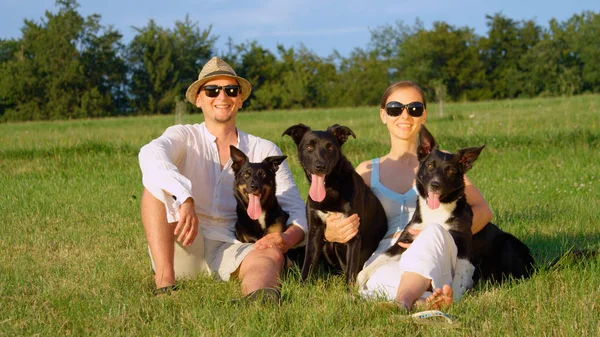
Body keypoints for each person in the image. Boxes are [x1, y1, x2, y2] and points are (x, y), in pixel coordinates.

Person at [138, 57, 307, 302]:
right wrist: (185, 196)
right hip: (183, 243)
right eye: (211, 90)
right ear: (198, 99)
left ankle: (259, 299)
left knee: (269, 255)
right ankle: (165, 285)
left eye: (230, 90)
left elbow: (295, 207)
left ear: (240, 99)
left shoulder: (262, 149)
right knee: (154, 186)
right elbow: (150, 155)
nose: (222, 97)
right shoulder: (184, 136)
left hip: (233, 243)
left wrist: (287, 239)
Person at [325, 81, 493, 311]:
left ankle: (403, 301)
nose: (405, 115)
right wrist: (331, 232)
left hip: (437, 247)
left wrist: (444, 233)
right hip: (390, 252)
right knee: (378, 276)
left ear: (423, 115)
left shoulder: (444, 165)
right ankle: (423, 299)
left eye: (414, 108)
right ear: (383, 115)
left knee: (431, 232)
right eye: (395, 108)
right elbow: (331, 216)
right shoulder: (366, 171)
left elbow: (483, 210)